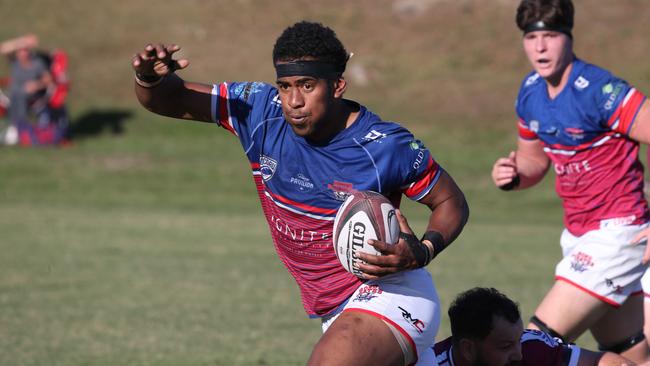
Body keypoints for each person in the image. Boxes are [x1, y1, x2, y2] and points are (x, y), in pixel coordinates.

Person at [132, 21, 469, 365]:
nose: (293, 101)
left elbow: (450, 201)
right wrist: (151, 78)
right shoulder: (260, 112)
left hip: (391, 295)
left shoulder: (384, 145)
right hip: (334, 312)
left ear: (337, 85)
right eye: (285, 86)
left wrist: (423, 251)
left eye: (307, 86)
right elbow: (168, 99)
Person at [491, 0, 650, 362]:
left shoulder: (600, 90)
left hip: (618, 234)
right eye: (532, 38)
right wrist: (514, 176)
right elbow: (533, 159)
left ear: (568, 37)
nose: (541, 47)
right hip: (579, 235)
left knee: (532, 344)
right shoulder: (530, 92)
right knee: (631, 354)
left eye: (550, 36)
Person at [434, 287, 638, 366]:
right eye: (505, 346)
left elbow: (602, 363)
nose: (518, 355)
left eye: (517, 342)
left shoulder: (531, 347)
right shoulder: (429, 363)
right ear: (468, 349)